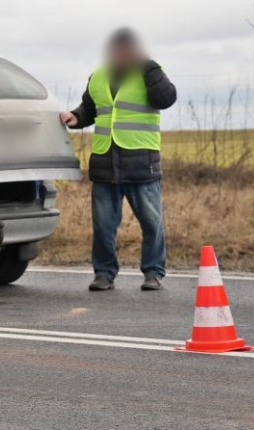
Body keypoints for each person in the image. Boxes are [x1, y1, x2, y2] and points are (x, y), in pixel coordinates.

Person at [59, 28, 177, 291]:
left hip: (141, 163)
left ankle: (153, 273)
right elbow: (89, 110)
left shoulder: (149, 71)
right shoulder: (98, 77)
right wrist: (75, 117)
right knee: (103, 226)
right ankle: (104, 274)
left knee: (151, 223)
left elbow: (166, 99)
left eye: (127, 49)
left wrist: (150, 68)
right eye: (117, 49)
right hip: (104, 164)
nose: (121, 53)